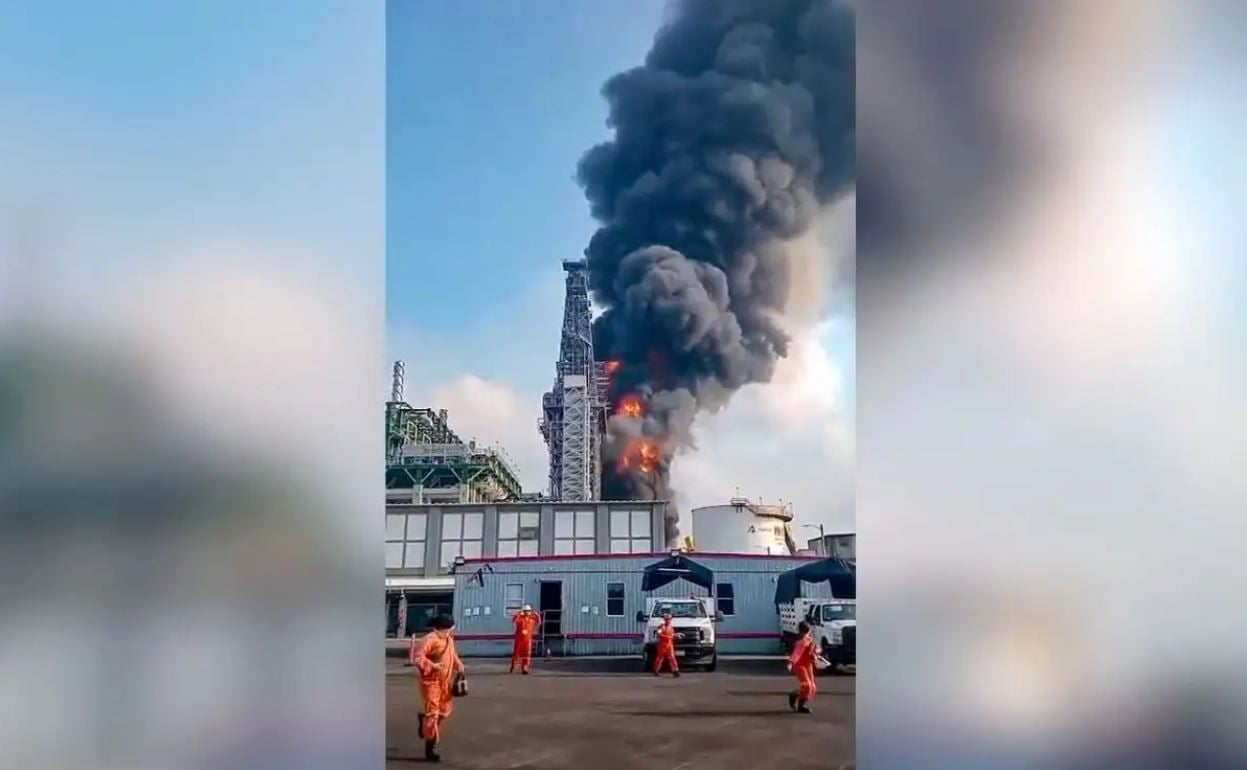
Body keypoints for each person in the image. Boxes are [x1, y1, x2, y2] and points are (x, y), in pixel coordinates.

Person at [412, 613, 464, 763]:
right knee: (433, 714)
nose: (451, 631)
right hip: (431, 683)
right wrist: (432, 665)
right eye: (449, 628)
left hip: (445, 682)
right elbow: (418, 657)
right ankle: (431, 747)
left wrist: (458, 664)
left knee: (445, 711)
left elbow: (452, 654)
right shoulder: (429, 639)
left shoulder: (448, 638)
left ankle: (425, 724)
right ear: (442, 628)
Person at [787, 620, 817, 714]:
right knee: (807, 686)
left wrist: (815, 654)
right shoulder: (801, 642)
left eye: (807, 632)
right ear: (801, 632)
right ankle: (795, 697)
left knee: (812, 687)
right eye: (805, 632)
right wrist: (790, 662)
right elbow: (796, 654)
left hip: (808, 665)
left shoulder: (810, 639)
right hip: (800, 666)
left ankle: (798, 701)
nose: (807, 634)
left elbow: (816, 649)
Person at [509, 604, 541, 674]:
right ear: (524, 611)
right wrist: (518, 613)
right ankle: (513, 666)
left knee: (527, 655)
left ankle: (525, 668)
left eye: (529, 611)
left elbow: (539, 622)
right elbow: (514, 621)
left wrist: (537, 615)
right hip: (519, 640)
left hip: (528, 640)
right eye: (527, 611)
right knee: (516, 654)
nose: (528, 612)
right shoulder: (520, 619)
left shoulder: (532, 619)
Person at [652, 612, 680, 677]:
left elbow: (672, 635)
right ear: (665, 620)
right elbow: (659, 634)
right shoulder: (662, 626)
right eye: (667, 619)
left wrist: (676, 635)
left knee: (672, 658)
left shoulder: (671, 627)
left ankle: (675, 671)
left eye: (669, 619)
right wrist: (669, 637)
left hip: (669, 645)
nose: (668, 620)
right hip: (662, 645)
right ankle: (656, 670)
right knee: (660, 658)